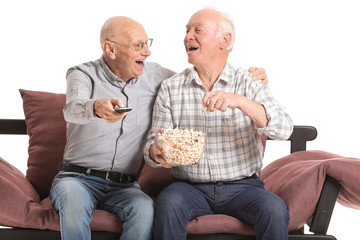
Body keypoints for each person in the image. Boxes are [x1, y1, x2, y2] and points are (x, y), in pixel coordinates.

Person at [49, 15, 268, 240]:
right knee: (74, 208)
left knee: (144, 212)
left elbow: (199, 81)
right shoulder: (82, 73)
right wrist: (96, 107)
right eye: (138, 45)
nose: (147, 52)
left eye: (147, 43)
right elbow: (72, 108)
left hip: (124, 187)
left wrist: (253, 79)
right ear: (110, 49)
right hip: (77, 179)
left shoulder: (156, 76)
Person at [144, 7, 293, 240]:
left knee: (274, 209)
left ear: (225, 40)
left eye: (197, 30)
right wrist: (155, 151)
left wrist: (241, 102)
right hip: (189, 187)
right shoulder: (171, 87)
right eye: (187, 30)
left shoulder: (248, 82)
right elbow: (152, 146)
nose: (188, 36)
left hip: (245, 188)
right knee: (168, 203)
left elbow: (284, 128)